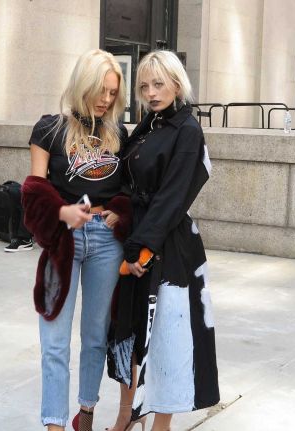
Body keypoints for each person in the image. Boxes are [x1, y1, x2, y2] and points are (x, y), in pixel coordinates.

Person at [106, 51, 219, 431]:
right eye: (144, 87)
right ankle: (126, 415)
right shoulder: (150, 124)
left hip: (166, 246)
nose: (151, 93)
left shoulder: (187, 129)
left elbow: (174, 197)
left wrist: (141, 247)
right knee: (127, 331)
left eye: (158, 84)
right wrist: (119, 214)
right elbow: (127, 179)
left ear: (176, 83)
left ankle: (161, 425)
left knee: (166, 338)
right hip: (138, 236)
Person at [21, 49, 132, 431]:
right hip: (64, 241)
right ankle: (54, 425)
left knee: (96, 336)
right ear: (83, 84)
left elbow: (130, 191)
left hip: (106, 241)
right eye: (101, 90)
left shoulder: (118, 134)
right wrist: (61, 211)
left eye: (113, 93)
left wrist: (119, 210)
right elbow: (33, 191)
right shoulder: (49, 129)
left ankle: (85, 417)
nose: (106, 99)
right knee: (54, 341)